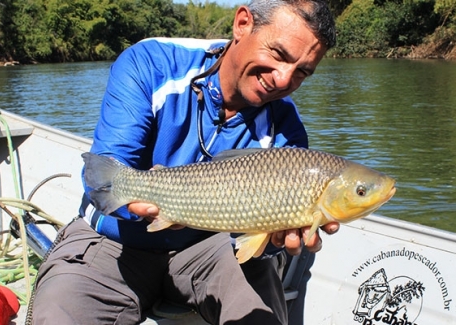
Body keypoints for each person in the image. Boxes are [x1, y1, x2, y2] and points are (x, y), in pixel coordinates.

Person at [30, 0, 337, 324]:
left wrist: (277, 242)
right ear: (242, 24)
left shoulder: (287, 129)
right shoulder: (150, 63)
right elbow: (105, 174)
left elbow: (258, 245)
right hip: (116, 241)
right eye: (278, 54)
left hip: (212, 250)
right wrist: (134, 206)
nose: (284, 79)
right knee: (59, 314)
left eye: (302, 72)